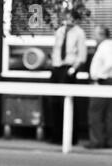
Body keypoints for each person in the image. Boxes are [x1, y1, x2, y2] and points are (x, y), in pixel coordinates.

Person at [49, 10, 87, 145]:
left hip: (69, 68)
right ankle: (56, 136)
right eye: (67, 17)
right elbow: (56, 49)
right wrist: (53, 65)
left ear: (76, 20)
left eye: (71, 18)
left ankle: (71, 137)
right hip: (57, 67)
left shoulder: (79, 33)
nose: (68, 20)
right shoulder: (60, 31)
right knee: (55, 103)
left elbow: (82, 55)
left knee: (67, 103)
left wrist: (73, 69)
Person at [85, 25, 112, 149]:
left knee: (95, 112)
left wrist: (98, 76)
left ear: (102, 34)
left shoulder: (105, 47)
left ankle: (97, 141)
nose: (94, 37)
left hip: (103, 82)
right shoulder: (107, 46)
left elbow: (110, 63)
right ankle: (107, 141)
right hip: (107, 81)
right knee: (108, 113)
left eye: (95, 34)